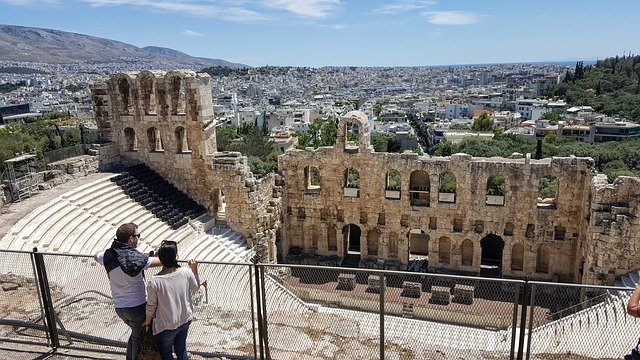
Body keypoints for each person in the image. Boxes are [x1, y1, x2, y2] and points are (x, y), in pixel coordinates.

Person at [94, 223, 162, 360]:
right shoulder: (136, 259)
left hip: (120, 308)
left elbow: (96, 255)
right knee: (138, 338)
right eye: (138, 236)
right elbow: (161, 261)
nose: (139, 239)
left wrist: (115, 250)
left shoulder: (108, 255)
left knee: (135, 334)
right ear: (131, 239)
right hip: (137, 307)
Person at [144, 240, 200, 360]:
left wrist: (147, 324)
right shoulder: (186, 272)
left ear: (160, 258)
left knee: (166, 354)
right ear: (176, 256)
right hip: (185, 320)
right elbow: (195, 288)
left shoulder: (154, 281)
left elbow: (151, 306)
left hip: (166, 325)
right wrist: (194, 269)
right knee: (181, 350)